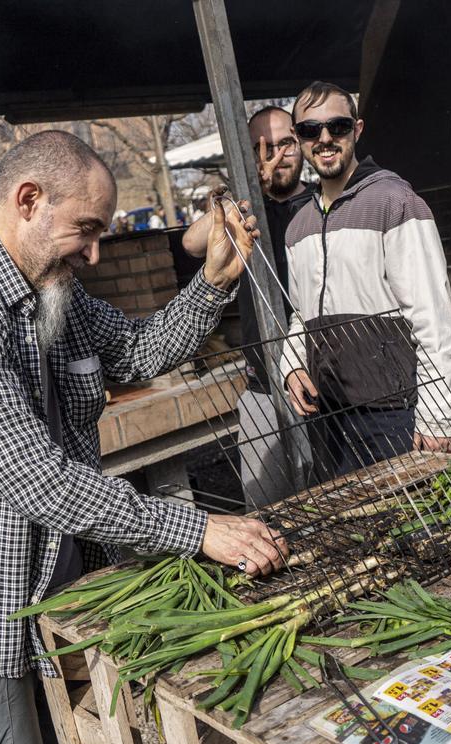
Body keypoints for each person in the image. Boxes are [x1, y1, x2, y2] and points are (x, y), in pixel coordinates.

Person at [0, 130, 287, 744]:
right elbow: (40, 480)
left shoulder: (52, 290)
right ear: (29, 200)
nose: (92, 253)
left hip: (57, 594)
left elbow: (137, 352)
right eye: (85, 230)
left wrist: (212, 282)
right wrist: (197, 531)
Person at [281, 81, 451, 479]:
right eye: (311, 130)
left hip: (393, 414)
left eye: (338, 127)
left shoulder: (395, 201)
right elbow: (300, 315)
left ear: (357, 130)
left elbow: (433, 316)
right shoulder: (298, 227)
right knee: (353, 532)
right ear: (298, 139)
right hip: (328, 419)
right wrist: (292, 365)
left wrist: (436, 417)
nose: (325, 139)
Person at [183, 106, 314, 507]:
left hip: (319, 383)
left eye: (285, 144)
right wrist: (249, 187)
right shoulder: (243, 211)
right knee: (267, 508)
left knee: (332, 498)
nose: (276, 156)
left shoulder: (320, 201)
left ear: (301, 144)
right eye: (263, 147)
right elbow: (191, 243)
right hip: (260, 386)